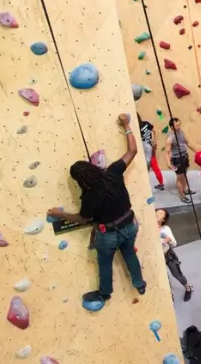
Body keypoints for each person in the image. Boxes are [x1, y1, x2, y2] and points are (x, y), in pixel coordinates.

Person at [47, 113, 146, 303]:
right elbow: (132, 150)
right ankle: (139, 284)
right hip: (129, 224)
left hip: (109, 233)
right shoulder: (113, 172)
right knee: (129, 253)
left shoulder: (90, 197)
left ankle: (105, 292)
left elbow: (83, 219)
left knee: (104, 262)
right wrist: (126, 125)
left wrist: (62, 214)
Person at [157, 208, 193, 302]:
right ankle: (170, 295)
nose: (157, 214)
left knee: (177, 274)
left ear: (164, 219)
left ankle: (188, 288)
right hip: (156, 257)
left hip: (167, 254)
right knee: (162, 277)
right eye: (156, 212)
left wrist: (169, 241)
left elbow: (174, 244)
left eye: (160, 214)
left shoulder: (165, 229)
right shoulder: (149, 229)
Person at [165, 117, 197, 203]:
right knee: (179, 178)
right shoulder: (170, 138)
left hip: (184, 156)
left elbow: (188, 143)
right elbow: (167, 152)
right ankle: (182, 196)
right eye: (177, 125)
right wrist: (168, 163)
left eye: (179, 124)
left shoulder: (181, 131)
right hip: (177, 159)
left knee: (184, 175)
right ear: (172, 127)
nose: (179, 127)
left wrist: (197, 151)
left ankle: (185, 190)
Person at [138, 113, 164, 191]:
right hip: (150, 147)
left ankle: (144, 187)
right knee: (155, 167)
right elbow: (157, 131)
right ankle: (161, 183)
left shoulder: (136, 128)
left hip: (143, 150)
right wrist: (154, 142)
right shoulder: (146, 123)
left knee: (144, 169)